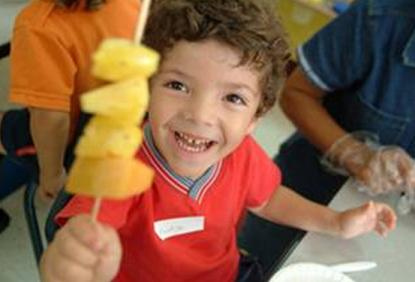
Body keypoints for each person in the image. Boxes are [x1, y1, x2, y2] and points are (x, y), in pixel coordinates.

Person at [39, 1, 397, 282]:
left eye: (233, 98)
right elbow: (81, 238)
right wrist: (70, 267)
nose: (200, 115)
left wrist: (334, 222)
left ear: (256, 118)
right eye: (177, 85)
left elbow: (268, 198)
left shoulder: (241, 154)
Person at [240, 0, 415, 274]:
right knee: (259, 266)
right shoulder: (380, 17)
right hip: (305, 197)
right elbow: (296, 93)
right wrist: (354, 154)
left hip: (389, 234)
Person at [0, 0, 140, 203]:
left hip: (76, 149)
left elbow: (51, 119)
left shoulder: (39, 26)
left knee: (18, 126)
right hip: (128, 126)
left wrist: (52, 175)